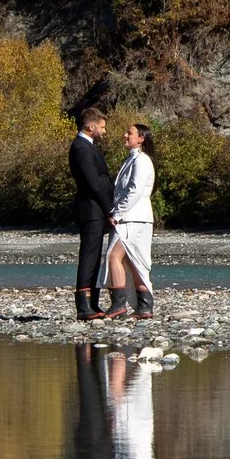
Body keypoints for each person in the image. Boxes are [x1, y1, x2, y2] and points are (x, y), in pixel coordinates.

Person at [97, 120, 156, 320]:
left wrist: (117, 213)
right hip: (133, 218)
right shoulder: (130, 160)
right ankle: (144, 307)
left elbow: (135, 191)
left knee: (114, 257)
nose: (125, 135)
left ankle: (119, 305)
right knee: (133, 261)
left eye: (129, 133)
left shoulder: (142, 161)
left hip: (134, 219)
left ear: (141, 139)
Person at [68, 107, 114, 321]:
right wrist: (109, 207)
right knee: (89, 256)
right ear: (90, 126)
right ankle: (84, 306)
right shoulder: (81, 148)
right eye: (102, 127)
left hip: (95, 209)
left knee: (95, 256)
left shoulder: (87, 147)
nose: (104, 131)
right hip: (91, 209)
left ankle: (92, 302)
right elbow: (94, 183)